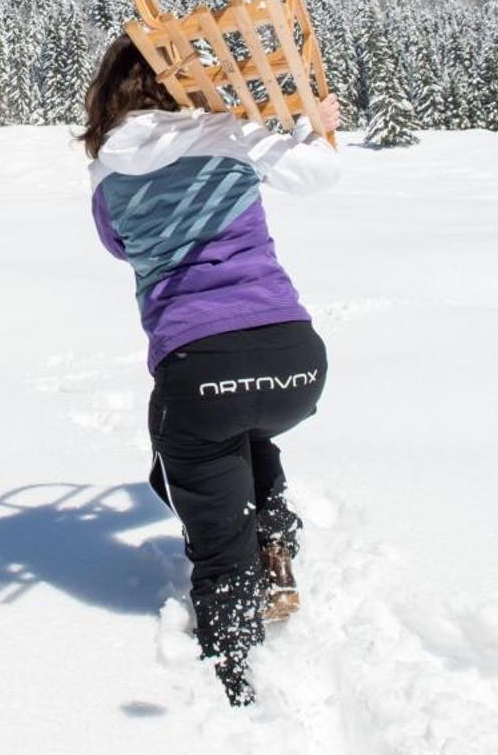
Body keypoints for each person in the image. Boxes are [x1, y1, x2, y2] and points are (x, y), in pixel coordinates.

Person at [81, 36, 340, 706]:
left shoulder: (109, 166)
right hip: (294, 358)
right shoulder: (229, 131)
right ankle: (274, 538)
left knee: (192, 464)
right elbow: (318, 174)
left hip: (198, 364)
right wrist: (319, 128)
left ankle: (235, 685)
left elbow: (115, 242)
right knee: (240, 430)